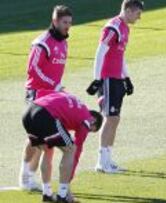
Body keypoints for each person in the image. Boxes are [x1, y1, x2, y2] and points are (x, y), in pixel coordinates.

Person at [86, 0, 144, 173]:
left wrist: (127, 78)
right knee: (110, 118)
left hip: (117, 78)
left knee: (115, 119)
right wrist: (97, 79)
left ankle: (108, 159)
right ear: (128, 10)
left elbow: (120, 55)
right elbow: (100, 51)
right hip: (108, 79)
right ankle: (101, 163)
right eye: (137, 13)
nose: (139, 17)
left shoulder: (125, 28)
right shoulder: (114, 27)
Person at [20, 5, 72, 191]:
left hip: (52, 95)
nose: (68, 27)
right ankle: (25, 176)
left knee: (46, 141)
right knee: (35, 138)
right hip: (36, 93)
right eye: (65, 23)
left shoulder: (64, 42)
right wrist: (54, 85)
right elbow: (33, 70)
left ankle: (32, 179)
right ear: (55, 21)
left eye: (70, 23)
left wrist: (56, 89)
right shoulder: (41, 43)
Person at [22, 90, 103, 202]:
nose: (86, 131)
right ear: (93, 120)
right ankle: (63, 194)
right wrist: (68, 182)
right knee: (71, 149)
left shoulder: (76, 107)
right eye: (90, 130)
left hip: (29, 111)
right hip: (45, 114)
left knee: (47, 148)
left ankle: (47, 193)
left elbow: (51, 94)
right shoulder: (87, 120)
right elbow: (77, 151)